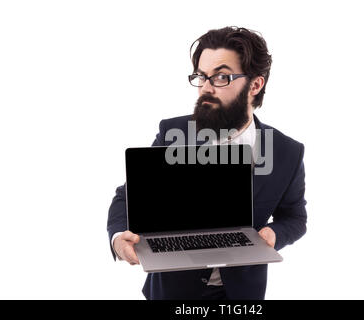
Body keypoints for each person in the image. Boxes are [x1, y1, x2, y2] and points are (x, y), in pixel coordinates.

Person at [107, 26, 307, 300]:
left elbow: (295, 217)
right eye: (201, 76)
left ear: (256, 85)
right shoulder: (173, 133)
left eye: (221, 77)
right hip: (172, 293)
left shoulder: (286, 152)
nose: (206, 88)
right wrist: (118, 238)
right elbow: (127, 197)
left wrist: (274, 234)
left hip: (242, 294)